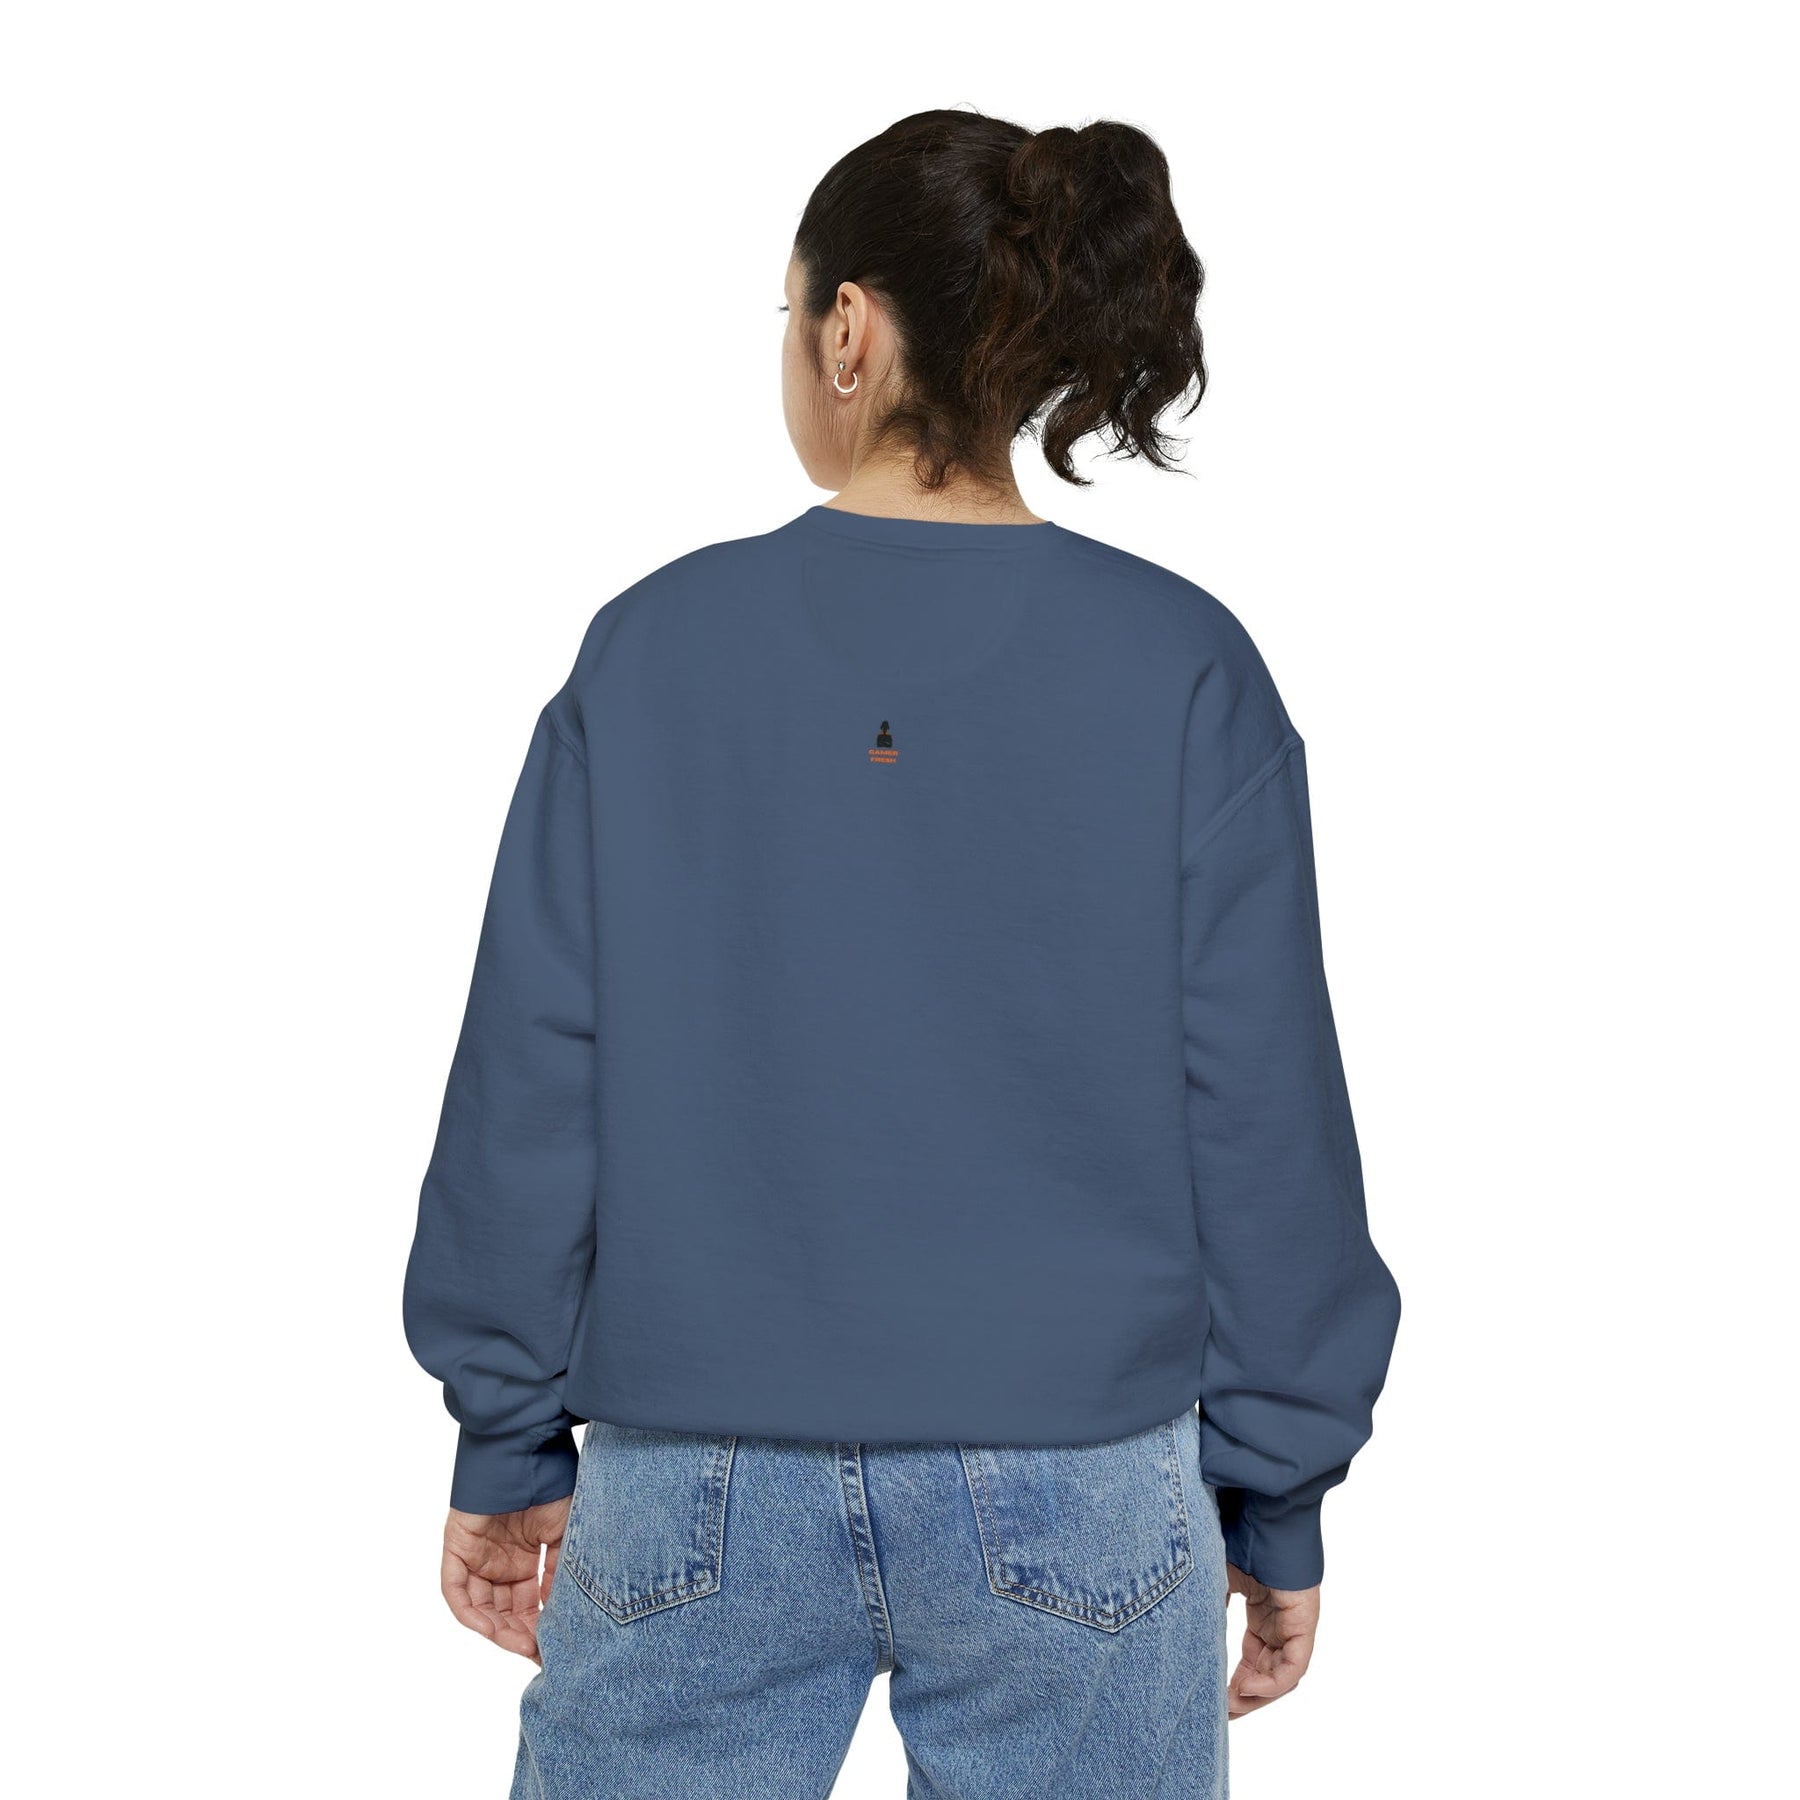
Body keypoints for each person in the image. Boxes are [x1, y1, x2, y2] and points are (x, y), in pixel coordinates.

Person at [405, 109, 1400, 1800]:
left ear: (848, 330)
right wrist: (1280, 1488)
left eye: (787, 314)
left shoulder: (650, 653)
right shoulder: (1184, 669)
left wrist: (504, 1433)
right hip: (1086, 1474)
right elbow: (1262, 1113)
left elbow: (533, 1076)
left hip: (694, 1471)